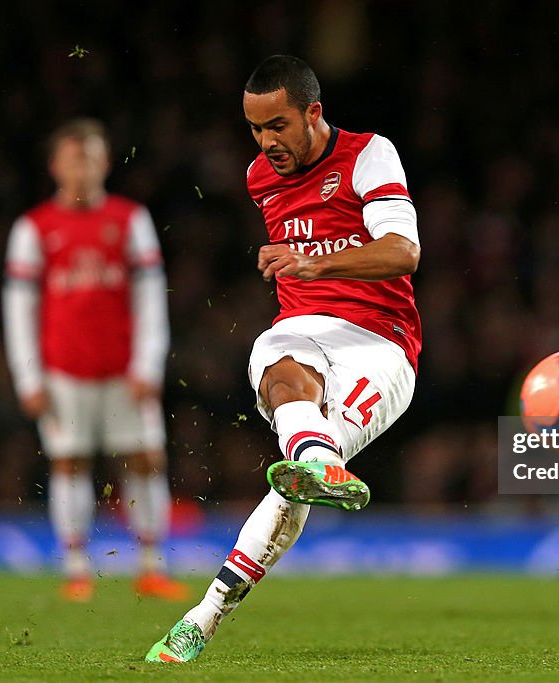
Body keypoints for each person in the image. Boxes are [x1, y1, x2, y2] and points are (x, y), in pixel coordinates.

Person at [146, 55, 421, 663]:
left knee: (293, 491)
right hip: (301, 334)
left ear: (313, 113)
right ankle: (317, 460)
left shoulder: (369, 154)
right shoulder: (259, 179)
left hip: (382, 346)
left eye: (277, 125)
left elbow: (403, 252)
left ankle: (209, 611)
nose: (266, 142)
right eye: (255, 128)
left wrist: (314, 261)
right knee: (275, 361)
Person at [2, 118, 187, 603]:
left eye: (90, 156)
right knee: (70, 464)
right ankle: (76, 567)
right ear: (54, 165)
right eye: (72, 157)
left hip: (124, 371)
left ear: (105, 162)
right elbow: (19, 309)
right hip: (64, 370)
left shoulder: (131, 220)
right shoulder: (34, 228)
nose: (81, 166)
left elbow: (150, 298)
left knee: (145, 461)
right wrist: (28, 376)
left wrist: (148, 365)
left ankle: (151, 565)